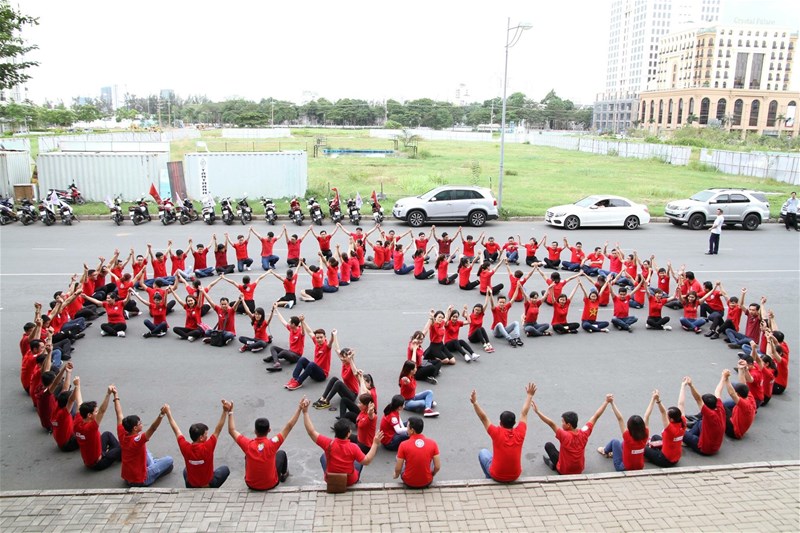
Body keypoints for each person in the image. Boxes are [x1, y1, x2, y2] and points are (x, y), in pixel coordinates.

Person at [302, 399, 382, 487]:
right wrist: (375, 443)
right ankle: (356, 481)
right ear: (348, 434)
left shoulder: (328, 443)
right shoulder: (354, 447)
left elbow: (311, 432)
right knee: (359, 461)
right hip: (349, 481)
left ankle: (331, 476)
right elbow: (367, 461)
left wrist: (305, 412)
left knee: (323, 456)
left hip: (331, 479)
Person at [227, 398, 303, 490]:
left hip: (251, 485)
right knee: (281, 453)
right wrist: (299, 408)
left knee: (247, 456)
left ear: (255, 431)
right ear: (269, 430)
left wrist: (230, 412)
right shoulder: (273, 443)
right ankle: (283, 474)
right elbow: (289, 425)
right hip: (271, 484)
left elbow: (232, 430)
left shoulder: (248, 445)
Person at [534, 388, 611, 474]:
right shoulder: (584, 432)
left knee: (549, 446)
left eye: (563, 422)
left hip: (564, 471)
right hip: (579, 470)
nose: (561, 423)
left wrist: (538, 412)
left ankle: (554, 465)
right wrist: (606, 402)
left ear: (568, 425)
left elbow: (551, 423)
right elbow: (595, 416)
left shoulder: (564, 435)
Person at [471, 383, 534, 482]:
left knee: (483, 453)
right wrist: (530, 395)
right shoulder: (520, 432)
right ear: (514, 423)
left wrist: (475, 403)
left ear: (500, 423)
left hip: (497, 475)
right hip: (515, 475)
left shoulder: (496, 433)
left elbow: (483, 418)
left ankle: (489, 478)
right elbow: (524, 413)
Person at [163, 402, 230, 488]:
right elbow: (218, 429)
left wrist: (168, 413)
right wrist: (225, 411)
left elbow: (176, 430)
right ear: (201, 438)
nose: (207, 436)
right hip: (209, 483)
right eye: (206, 434)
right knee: (225, 469)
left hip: (192, 484)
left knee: (185, 471)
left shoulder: (185, 447)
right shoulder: (207, 447)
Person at [114, 393, 174, 486]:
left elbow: (119, 414)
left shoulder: (123, 433)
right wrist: (162, 414)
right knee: (169, 460)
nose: (142, 424)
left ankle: (153, 463)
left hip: (127, 477)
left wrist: (116, 396)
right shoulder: (137, 441)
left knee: (146, 451)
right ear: (135, 428)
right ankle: (153, 467)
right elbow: (153, 428)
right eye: (140, 423)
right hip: (140, 479)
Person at [597, 394, 653, 472]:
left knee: (615, 441)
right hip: (639, 467)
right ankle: (612, 453)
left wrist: (612, 403)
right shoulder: (645, 434)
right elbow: (647, 416)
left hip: (623, 468)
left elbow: (620, 419)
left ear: (629, 426)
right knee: (623, 443)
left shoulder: (627, 436)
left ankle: (605, 451)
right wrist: (653, 399)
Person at [74, 384, 122, 471]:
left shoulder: (77, 421)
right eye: (95, 412)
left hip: (89, 459)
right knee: (123, 447)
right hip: (98, 463)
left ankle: (113, 452)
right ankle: (119, 454)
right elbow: (102, 411)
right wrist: (108, 394)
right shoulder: (90, 428)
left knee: (107, 434)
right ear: (89, 415)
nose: (97, 413)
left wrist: (77, 385)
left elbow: (79, 402)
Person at [682, 374, 726, 456]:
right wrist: (724, 377)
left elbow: (698, 399)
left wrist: (691, 385)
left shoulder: (710, 415)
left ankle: (688, 439)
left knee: (679, 431)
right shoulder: (720, 407)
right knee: (700, 422)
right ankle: (689, 436)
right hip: (715, 445)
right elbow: (718, 391)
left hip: (705, 449)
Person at [643, 388, 686, 468]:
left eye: (667, 415)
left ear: (671, 420)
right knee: (655, 437)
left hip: (666, 460)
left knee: (643, 448)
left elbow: (663, 412)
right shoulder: (683, 421)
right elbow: (681, 404)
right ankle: (653, 452)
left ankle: (651, 456)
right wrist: (683, 385)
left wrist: (657, 399)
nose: (666, 415)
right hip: (675, 456)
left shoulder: (670, 429)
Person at [284, 323, 335, 391]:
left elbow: (331, 342)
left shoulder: (327, 346)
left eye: (321, 337)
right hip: (313, 371)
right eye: (317, 338)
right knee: (302, 359)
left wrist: (332, 336)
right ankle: (294, 378)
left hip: (321, 375)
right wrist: (302, 321)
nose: (319, 339)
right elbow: (310, 332)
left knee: (312, 364)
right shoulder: (317, 343)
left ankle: (298, 382)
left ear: (325, 337)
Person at [394, 416, 440, 489]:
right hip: (427, 481)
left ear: (412, 430)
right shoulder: (433, 443)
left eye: (407, 427)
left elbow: (398, 468)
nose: (406, 429)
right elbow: (437, 466)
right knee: (430, 458)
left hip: (409, 482)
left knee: (398, 457)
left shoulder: (403, 445)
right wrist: (432, 474)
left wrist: (396, 475)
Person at [723, 364, 757, 439]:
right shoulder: (749, 397)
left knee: (717, 408)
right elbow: (743, 383)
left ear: (738, 394)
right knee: (722, 406)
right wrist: (741, 369)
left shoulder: (745, 404)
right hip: (735, 419)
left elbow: (732, 394)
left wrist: (726, 379)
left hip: (734, 431)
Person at [51, 375, 81, 451]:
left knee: (74, 406)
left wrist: (68, 372)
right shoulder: (63, 414)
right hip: (67, 444)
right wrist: (77, 386)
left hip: (60, 440)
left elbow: (65, 388)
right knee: (85, 431)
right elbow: (71, 400)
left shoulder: (56, 405)